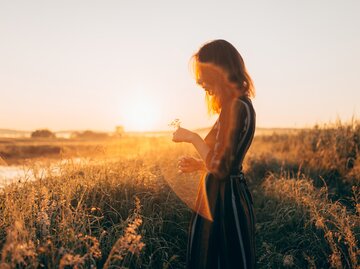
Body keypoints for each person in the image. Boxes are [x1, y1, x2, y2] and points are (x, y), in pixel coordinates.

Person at [172, 39, 256, 269]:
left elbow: (220, 168)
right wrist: (200, 164)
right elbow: (225, 160)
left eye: (204, 75)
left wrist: (193, 138)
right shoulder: (240, 105)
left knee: (220, 259)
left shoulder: (235, 107)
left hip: (224, 200)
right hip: (228, 194)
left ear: (219, 71)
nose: (200, 83)